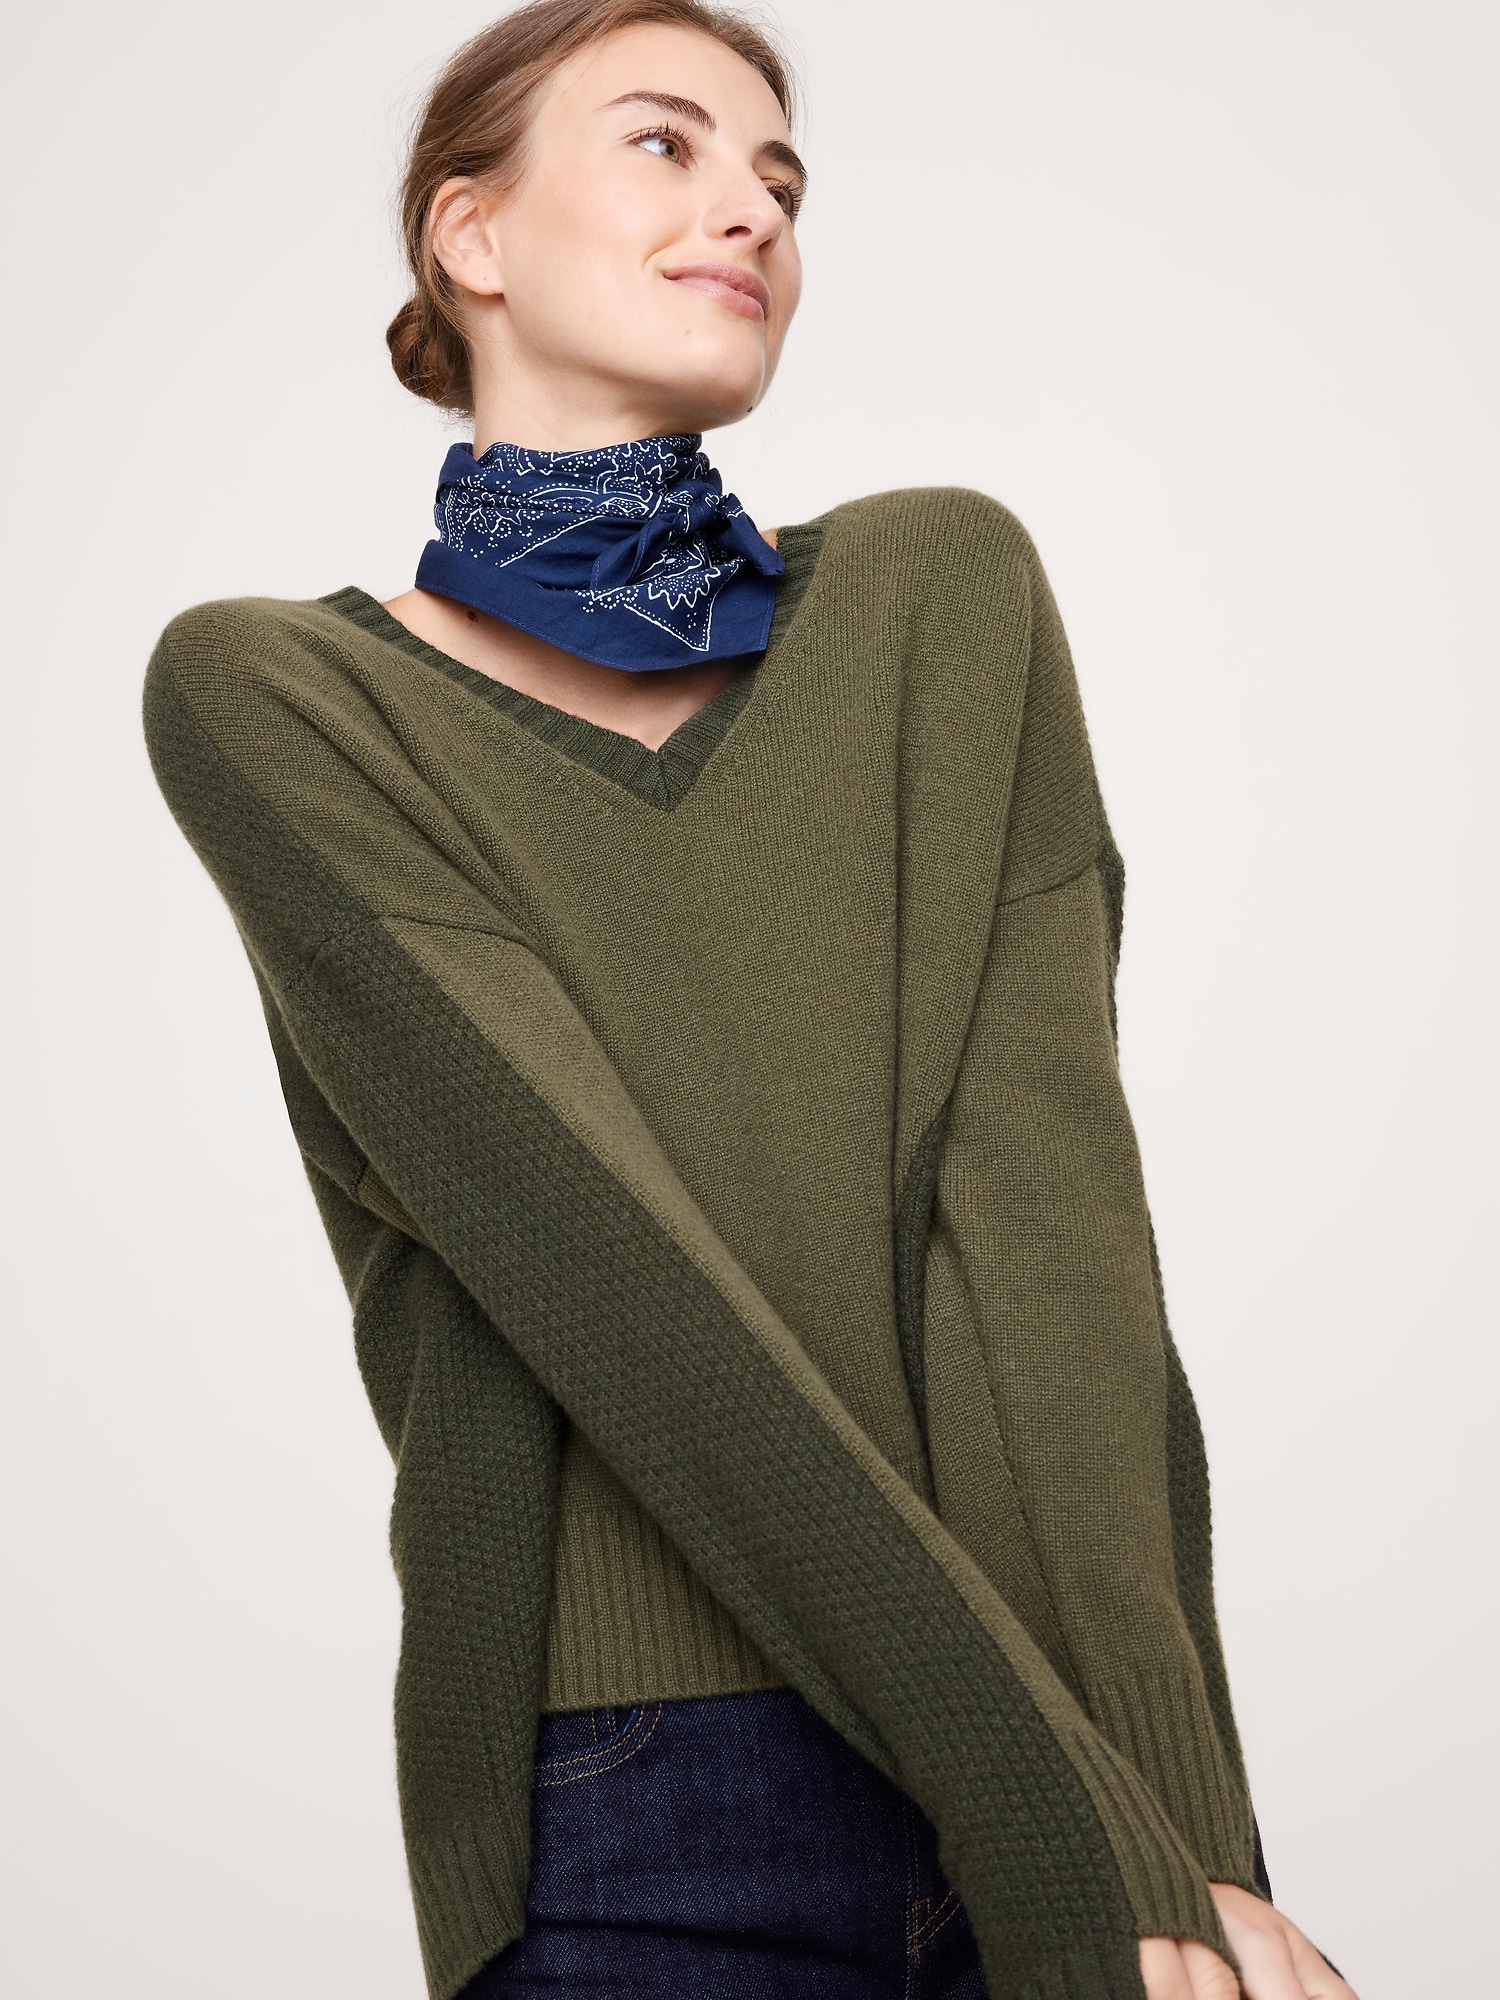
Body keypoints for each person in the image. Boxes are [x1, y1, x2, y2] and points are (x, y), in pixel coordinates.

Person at [142, 3, 1360, 1996]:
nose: (754, 209)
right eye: (668, 144)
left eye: (782, 177)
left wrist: (1172, 1837)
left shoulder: (936, 598)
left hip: (1062, 1774)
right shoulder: (286, 696)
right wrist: (1060, 1814)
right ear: (470, 233)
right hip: (640, 1806)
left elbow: (1052, 1258)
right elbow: (615, 1274)